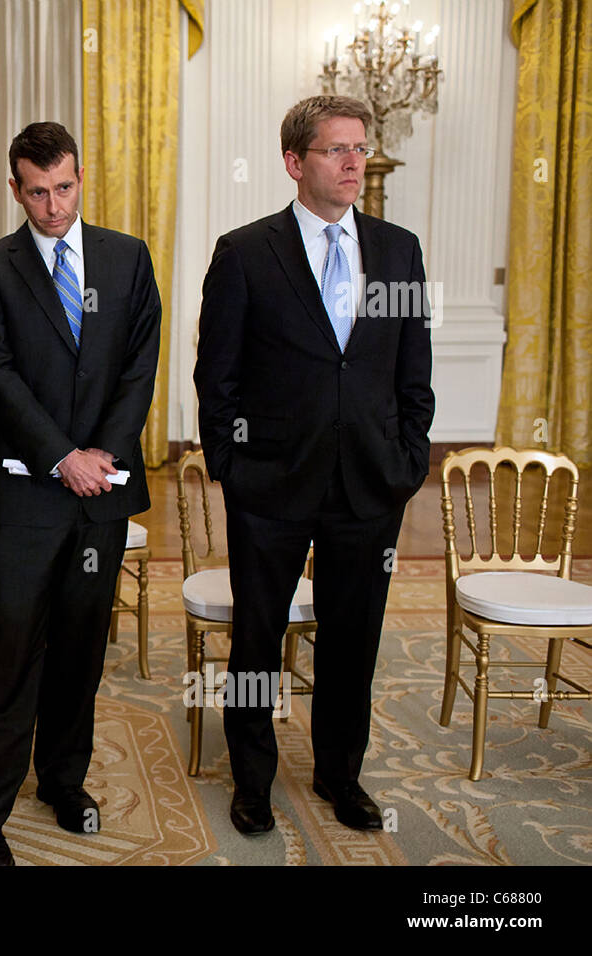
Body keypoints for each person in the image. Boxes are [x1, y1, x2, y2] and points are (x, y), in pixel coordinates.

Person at [193, 95, 434, 836]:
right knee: (258, 639)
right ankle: (252, 780)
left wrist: (408, 456)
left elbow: (412, 369)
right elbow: (217, 374)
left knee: (353, 636)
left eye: (360, 148)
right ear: (295, 162)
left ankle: (340, 773)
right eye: (337, 149)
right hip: (271, 483)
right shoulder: (246, 251)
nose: (355, 161)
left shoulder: (398, 249)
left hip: (370, 482)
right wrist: (233, 466)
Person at [0, 122, 161, 866]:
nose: (52, 205)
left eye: (64, 188)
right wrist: (61, 456)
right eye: (36, 192)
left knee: (80, 650)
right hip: (32, 495)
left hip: (102, 489)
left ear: (81, 177)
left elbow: (141, 363)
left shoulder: (126, 258)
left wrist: (100, 453)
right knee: (12, 653)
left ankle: (63, 783)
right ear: (16, 189)